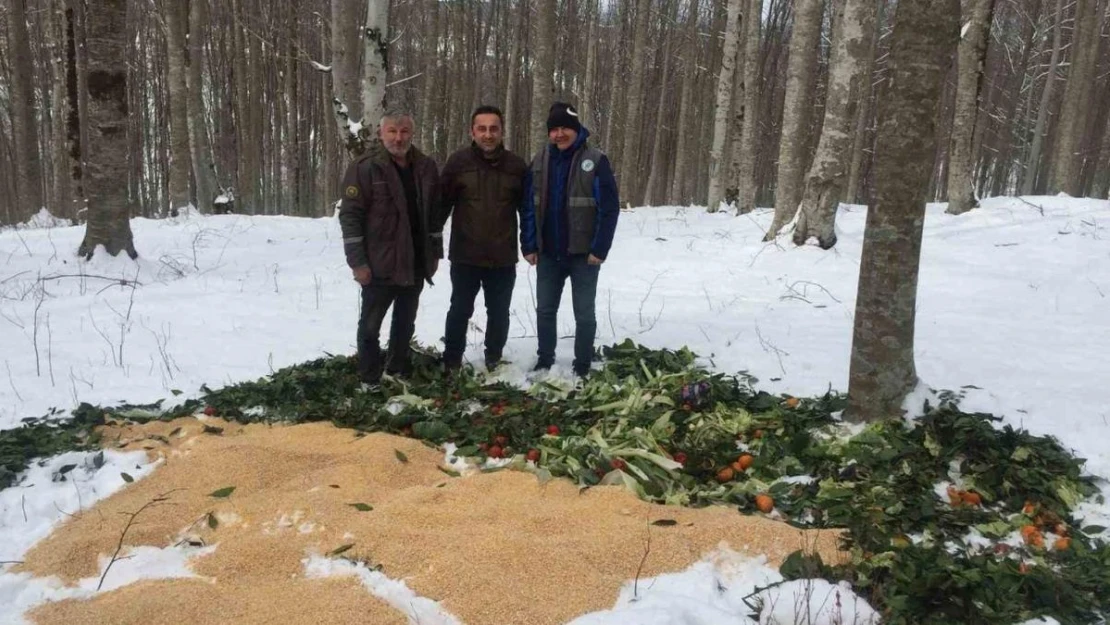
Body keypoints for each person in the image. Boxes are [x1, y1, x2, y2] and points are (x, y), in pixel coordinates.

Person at [337, 111, 442, 386]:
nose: (399, 137)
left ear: (412, 133)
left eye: (404, 131)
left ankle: (397, 371)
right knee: (370, 327)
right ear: (381, 134)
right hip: (378, 265)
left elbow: (434, 216)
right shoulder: (364, 168)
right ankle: (369, 379)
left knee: (405, 325)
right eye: (393, 131)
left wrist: (435, 254)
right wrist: (357, 262)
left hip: (415, 263)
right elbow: (350, 217)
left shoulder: (426, 167)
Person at [522, 102, 619, 378]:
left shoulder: (596, 160)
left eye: (565, 128)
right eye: (554, 129)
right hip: (549, 253)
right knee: (545, 310)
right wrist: (529, 244)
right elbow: (529, 205)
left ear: (577, 130)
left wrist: (600, 248)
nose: (559, 134)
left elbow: (609, 209)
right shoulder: (539, 160)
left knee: (584, 314)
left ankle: (583, 363)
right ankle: (544, 359)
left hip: (584, 255)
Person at [438, 105, 529, 371]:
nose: (488, 134)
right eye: (482, 129)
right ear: (472, 131)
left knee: (499, 312)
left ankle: (494, 357)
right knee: (460, 309)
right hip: (466, 254)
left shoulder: (516, 166)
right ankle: (452, 359)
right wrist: (430, 244)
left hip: (502, 255)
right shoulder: (458, 163)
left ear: (501, 131)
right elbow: (441, 207)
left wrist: (530, 245)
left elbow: (528, 212)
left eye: (493, 129)